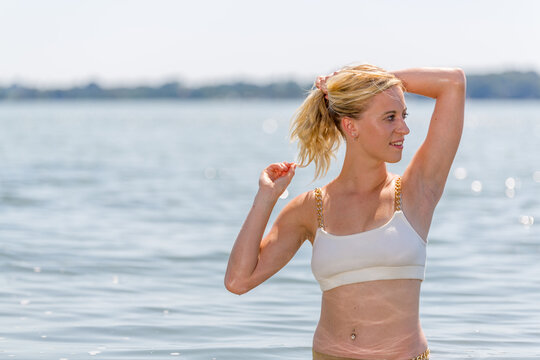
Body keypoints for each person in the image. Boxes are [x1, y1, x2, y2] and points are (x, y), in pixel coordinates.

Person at [224, 64, 466, 360]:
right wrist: (266, 198)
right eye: (390, 117)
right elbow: (238, 281)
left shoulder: (417, 191)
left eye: (403, 115)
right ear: (351, 127)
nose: (403, 128)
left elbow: (453, 83)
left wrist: (366, 82)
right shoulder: (310, 208)